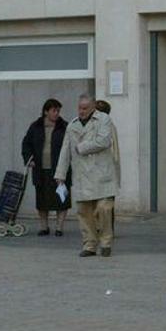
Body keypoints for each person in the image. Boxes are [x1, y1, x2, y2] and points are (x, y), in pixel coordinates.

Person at [55, 94, 119, 257]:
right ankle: (89, 244)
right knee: (84, 211)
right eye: (79, 108)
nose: (81, 111)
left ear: (92, 108)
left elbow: (103, 141)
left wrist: (82, 147)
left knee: (104, 209)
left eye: (85, 108)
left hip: (101, 173)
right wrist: (60, 173)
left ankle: (106, 242)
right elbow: (65, 150)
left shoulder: (103, 120)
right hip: (82, 174)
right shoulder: (72, 125)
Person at [21, 98, 71, 237]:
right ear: (46, 111)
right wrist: (28, 159)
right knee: (42, 199)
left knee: (62, 198)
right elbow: (26, 144)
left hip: (60, 170)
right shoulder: (35, 126)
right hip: (41, 169)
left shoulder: (64, 126)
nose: (57, 113)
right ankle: (44, 226)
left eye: (58, 111)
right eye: (54, 110)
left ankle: (59, 227)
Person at [94, 100, 120, 235]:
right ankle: (106, 229)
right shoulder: (110, 125)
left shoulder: (102, 127)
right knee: (106, 203)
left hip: (101, 170)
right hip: (107, 171)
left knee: (101, 202)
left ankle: (102, 229)